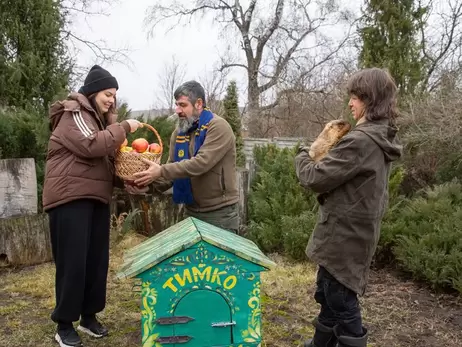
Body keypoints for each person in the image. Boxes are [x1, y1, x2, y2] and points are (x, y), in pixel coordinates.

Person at [294, 68, 403, 347]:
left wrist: (304, 155)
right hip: (353, 232)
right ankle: (321, 343)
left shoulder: (361, 140)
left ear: (371, 100)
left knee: (341, 298)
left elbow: (314, 178)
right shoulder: (378, 137)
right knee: (329, 293)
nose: (350, 104)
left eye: (355, 98)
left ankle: (351, 341)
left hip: (345, 235)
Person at [42, 65, 142, 347]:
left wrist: (127, 183)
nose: (112, 99)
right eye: (108, 94)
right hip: (70, 198)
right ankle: (64, 325)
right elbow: (90, 146)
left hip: (96, 198)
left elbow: (103, 164)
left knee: (96, 262)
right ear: (94, 91)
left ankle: (88, 317)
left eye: (114, 95)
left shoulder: (98, 121)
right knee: (73, 263)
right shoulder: (74, 114)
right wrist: (122, 127)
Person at [131, 80, 240, 233]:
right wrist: (146, 185)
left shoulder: (218, 127)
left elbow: (201, 163)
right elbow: (171, 173)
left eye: (182, 105)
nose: (177, 110)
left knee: (219, 258)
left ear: (199, 104)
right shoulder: (179, 133)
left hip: (219, 213)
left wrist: (161, 170)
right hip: (190, 211)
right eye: (177, 105)